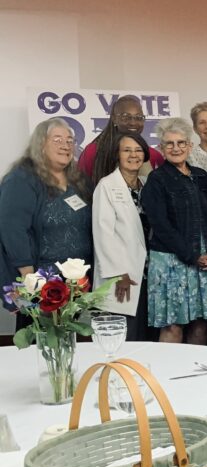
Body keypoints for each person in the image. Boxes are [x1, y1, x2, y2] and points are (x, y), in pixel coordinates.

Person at [0, 118, 92, 328]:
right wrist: (30, 279)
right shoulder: (21, 179)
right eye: (57, 139)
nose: (65, 145)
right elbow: (12, 230)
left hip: (74, 281)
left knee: (68, 340)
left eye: (69, 140)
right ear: (41, 143)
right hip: (39, 280)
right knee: (39, 342)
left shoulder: (79, 180)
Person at [142, 117, 207, 344]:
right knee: (172, 327)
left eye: (181, 143)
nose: (176, 148)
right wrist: (192, 256)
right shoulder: (156, 180)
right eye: (169, 144)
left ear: (190, 146)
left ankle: (195, 378)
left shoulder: (202, 177)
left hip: (205, 260)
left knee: (200, 324)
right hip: (171, 263)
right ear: (161, 149)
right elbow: (161, 227)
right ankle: (166, 378)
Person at [92, 131, 149, 341]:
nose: (133, 155)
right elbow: (103, 234)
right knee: (121, 337)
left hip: (145, 272)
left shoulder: (146, 184)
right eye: (127, 150)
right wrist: (119, 274)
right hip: (122, 277)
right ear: (117, 154)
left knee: (143, 337)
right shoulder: (107, 185)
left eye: (138, 150)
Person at [79, 95, 164, 183]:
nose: (133, 122)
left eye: (138, 117)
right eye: (126, 117)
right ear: (114, 119)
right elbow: (82, 189)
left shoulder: (153, 155)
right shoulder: (93, 151)